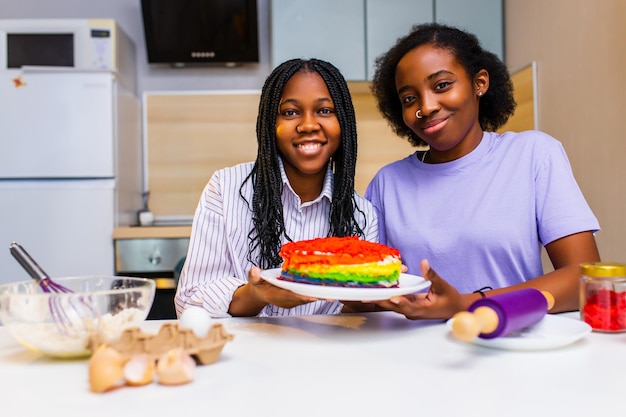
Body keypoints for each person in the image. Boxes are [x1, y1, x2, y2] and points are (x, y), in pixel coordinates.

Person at [365, 23, 601, 320]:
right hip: (415, 354)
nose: (426, 107)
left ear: (480, 82)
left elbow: (584, 278)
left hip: (512, 348)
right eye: (409, 99)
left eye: (441, 85)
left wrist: (465, 304)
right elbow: (368, 291)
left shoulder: (533, 155)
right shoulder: (388, 183)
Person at [175, 58, 378, 318]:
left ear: (344, 123)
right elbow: (189, 302)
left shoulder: (363, 215)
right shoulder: (224, 189)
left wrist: (366, 297)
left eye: (325, 111)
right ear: (270, 123)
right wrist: (256, 294)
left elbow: (357, 318)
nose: (308, 125)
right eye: (291, 112)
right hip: (243, 353)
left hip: (327, 354)